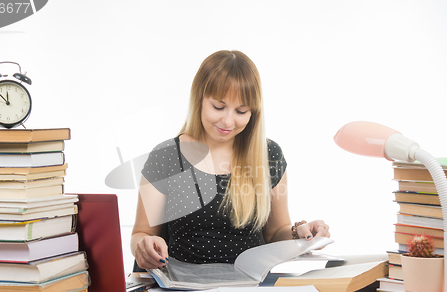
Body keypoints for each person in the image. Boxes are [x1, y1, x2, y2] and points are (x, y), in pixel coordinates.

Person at [131, 50, 330, 270]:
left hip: (249, 286)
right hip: (180, 289)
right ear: (199, 99)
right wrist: (145, 245)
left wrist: (300, 234)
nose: (228, 121)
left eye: (241, 111)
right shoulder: (166, 157)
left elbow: (275, 233)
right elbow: (142, 232)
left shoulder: (269, 155)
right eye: (218, 107)